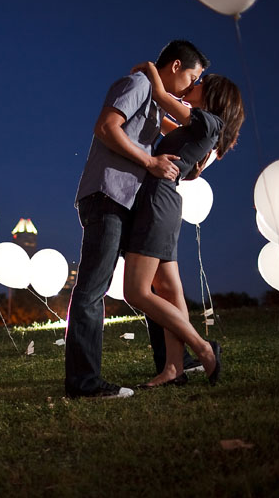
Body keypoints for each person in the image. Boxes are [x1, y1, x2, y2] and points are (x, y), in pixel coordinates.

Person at [65, 40, 209, 399]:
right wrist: (150, 164)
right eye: (192, 77)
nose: (192, 86)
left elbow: (172, 144)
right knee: (92, 289)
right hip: (107, 196)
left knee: (152, 286)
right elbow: (106, 127)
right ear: (175, 66)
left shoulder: (155, 99)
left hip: (130, 202)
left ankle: (172, 363)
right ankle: (83, 382)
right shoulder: (137, 85)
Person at [123, 63, 245, 388]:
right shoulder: (204, 130)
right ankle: (173, 368)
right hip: (165, 202)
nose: (195, 84)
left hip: (157, 202)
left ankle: (204, 349)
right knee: (167, 289)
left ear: (213, 96)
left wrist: (150, 70)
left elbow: (163, 97)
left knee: (135, 291)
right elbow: (164, 125)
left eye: (201, 82)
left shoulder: (208, 121)